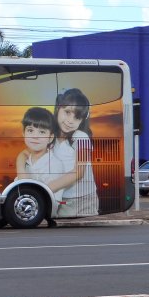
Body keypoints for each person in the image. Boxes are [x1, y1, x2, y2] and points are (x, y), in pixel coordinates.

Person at [47, 88, 99, 217]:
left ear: (82, 120)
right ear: (58, 109)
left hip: (82, 200)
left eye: (77, 117)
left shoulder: (80, 136)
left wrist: (45, 189)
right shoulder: (50, 136)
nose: (70, 121)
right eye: (67, 112)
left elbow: (78, 172)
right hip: (61, 199)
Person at [15, 107, 64, 225]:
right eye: (30, 130)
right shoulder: (28, 160)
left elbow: (53, 201)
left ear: (50, 137)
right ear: (23, 133)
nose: (35, 136)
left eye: (42, 132)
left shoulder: (54, 164)